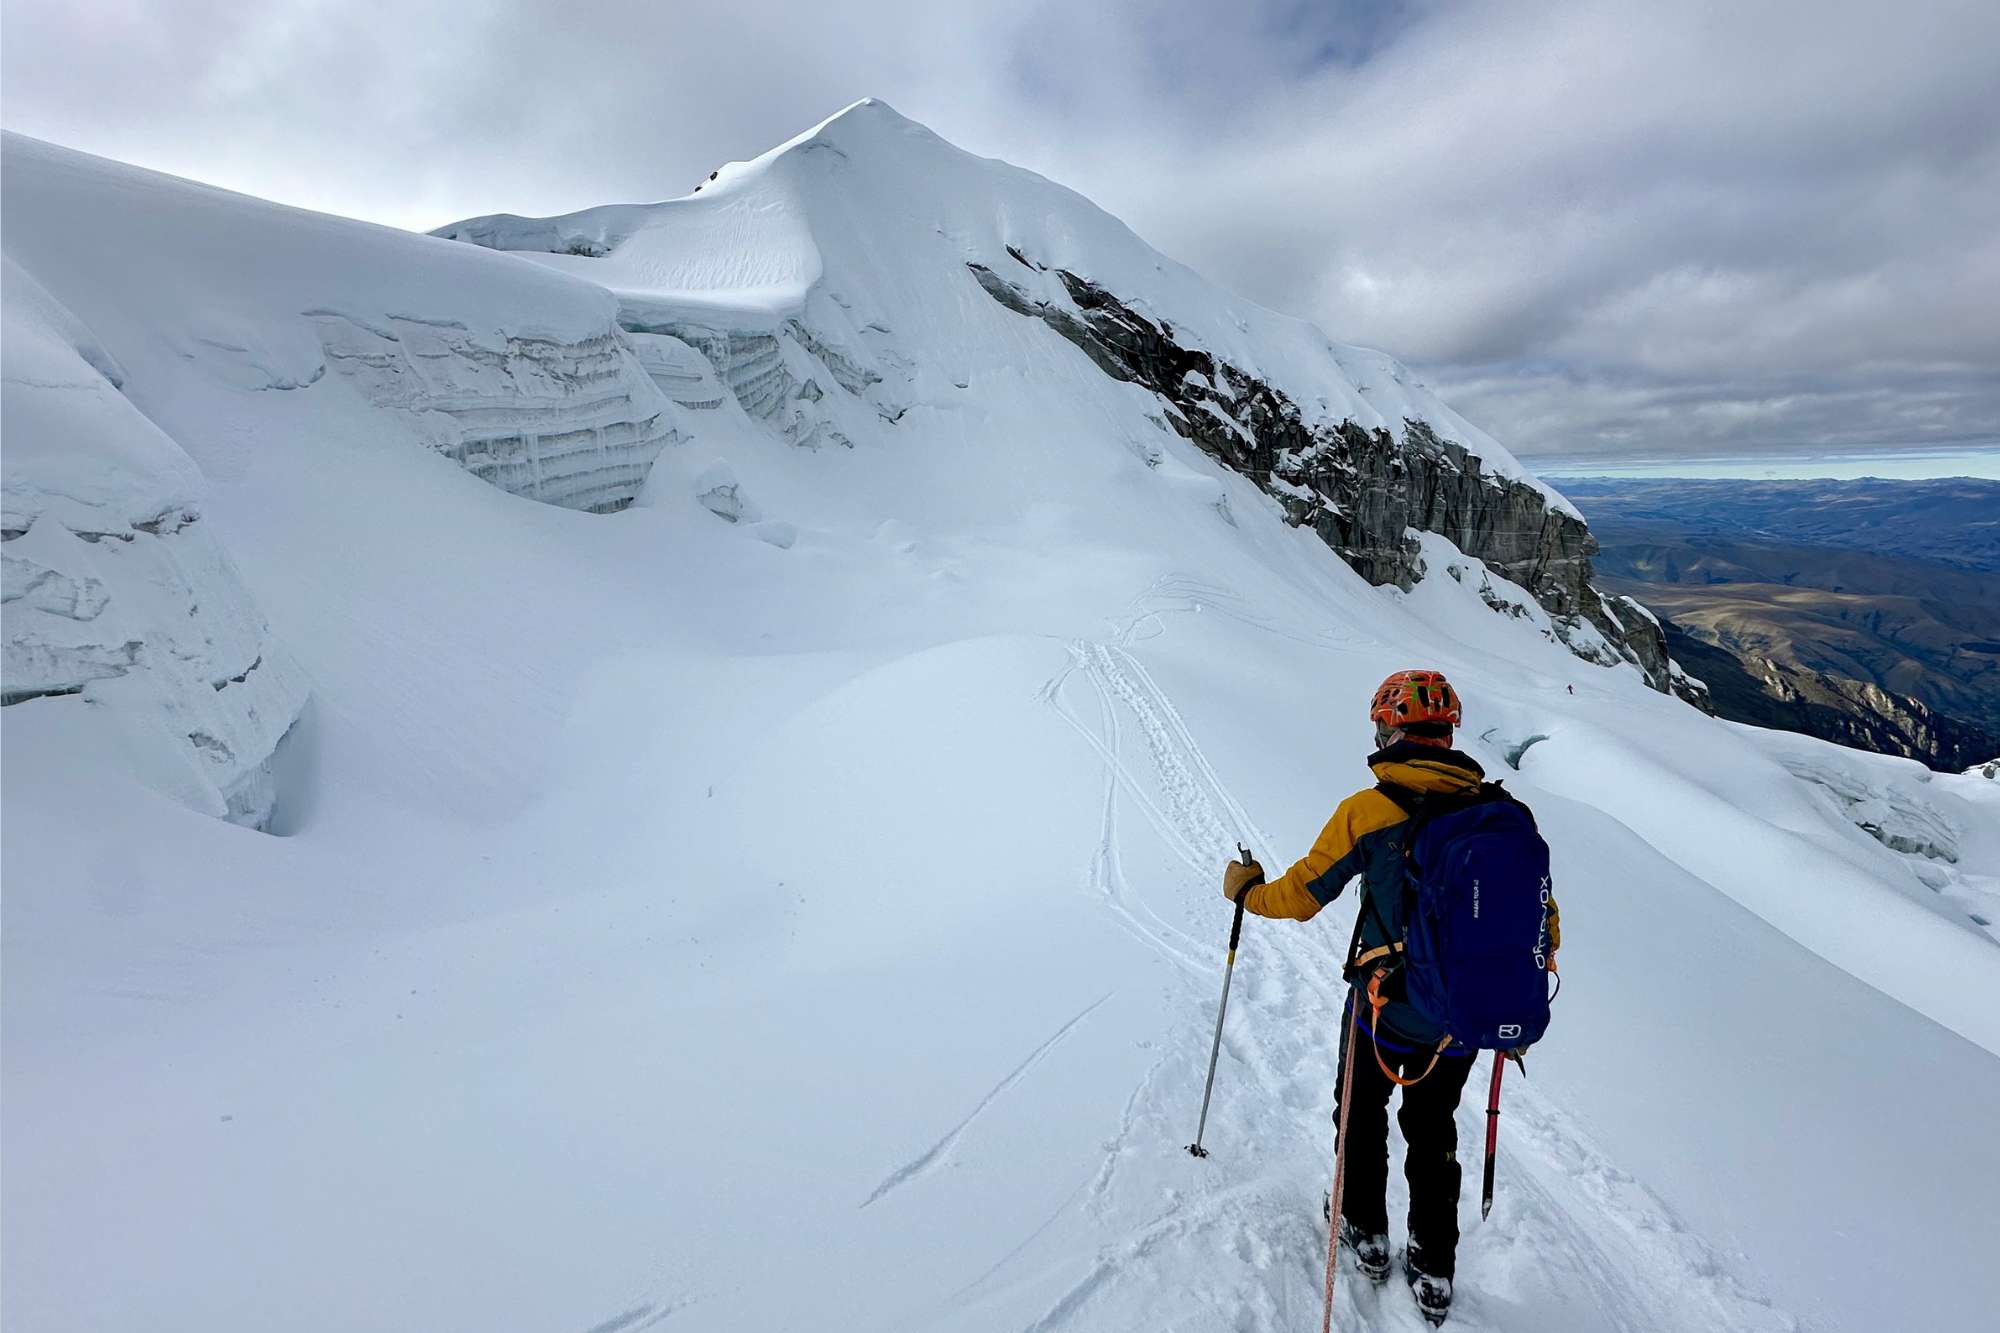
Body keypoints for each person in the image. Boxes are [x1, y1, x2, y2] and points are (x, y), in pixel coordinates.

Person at [1220, 670, 1558, 1325]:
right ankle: (1433, 1270)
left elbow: (1298, 897)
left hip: (1382, 1009)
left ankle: (1365, 1234)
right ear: (1449, 732)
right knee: (1433, 1131)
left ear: (1390, 730)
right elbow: (1545, 925)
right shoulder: (1507, 817)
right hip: (1463, 1020)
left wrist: (1245, 888)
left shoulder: (1368, 810)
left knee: (1361, 1112)